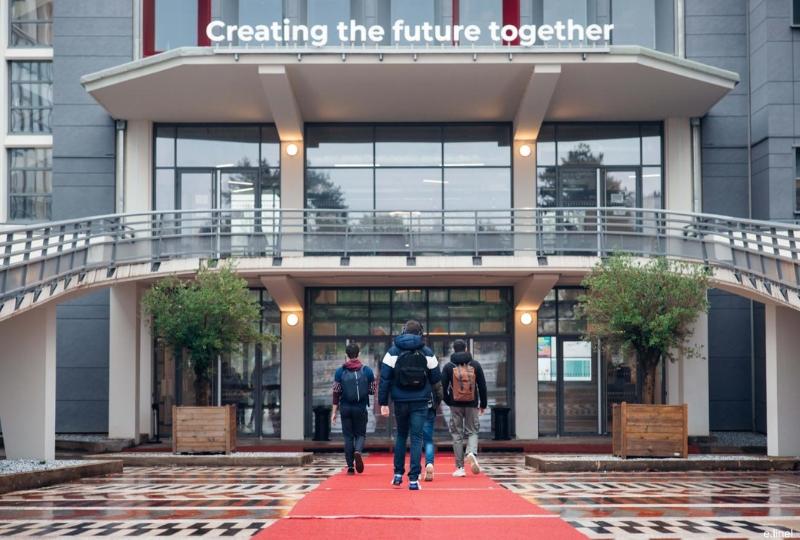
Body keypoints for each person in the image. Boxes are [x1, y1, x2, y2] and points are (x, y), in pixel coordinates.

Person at [379, 320, 441, 491]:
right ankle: (413, 480)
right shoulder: (427, 352)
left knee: (401, 435)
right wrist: (436, 399)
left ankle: (397, 475)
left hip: (399, 401)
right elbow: (436, 378)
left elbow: (384, 378)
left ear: (403, 331)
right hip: (420, 401)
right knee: (417, 438)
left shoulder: (393, 351)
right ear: (420, 333)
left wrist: (383, 402)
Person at [442, 339, 487, 477]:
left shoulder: (449, 366)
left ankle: (460, 468)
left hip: (455, 405)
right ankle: (471, 452)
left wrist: (449, 401)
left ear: (454, 350)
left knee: (457, 435)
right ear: (466, 349)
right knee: (472, 431)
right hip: (472, 404)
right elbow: (482, 386)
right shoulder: (475, 365)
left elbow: (442, 388)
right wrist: (483, 404)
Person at [331, 342, 376, 475]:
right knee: (360, 434)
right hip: (360, 407)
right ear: (359, 354)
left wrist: (334, 412)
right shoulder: (367, 371)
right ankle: (358, 451)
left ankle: (350, 467)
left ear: (346, 355)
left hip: (345, 408)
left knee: (348, 436)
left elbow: (336, 393)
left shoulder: (340, 371)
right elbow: (372, 390)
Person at [423, 380, 443, 481]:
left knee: (416, 439)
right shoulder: (432, 369)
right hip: (429, 407)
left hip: (414, 406)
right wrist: (436, 404)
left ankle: (416, 470)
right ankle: (429, 463)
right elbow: (439, 389)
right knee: (428, 440)